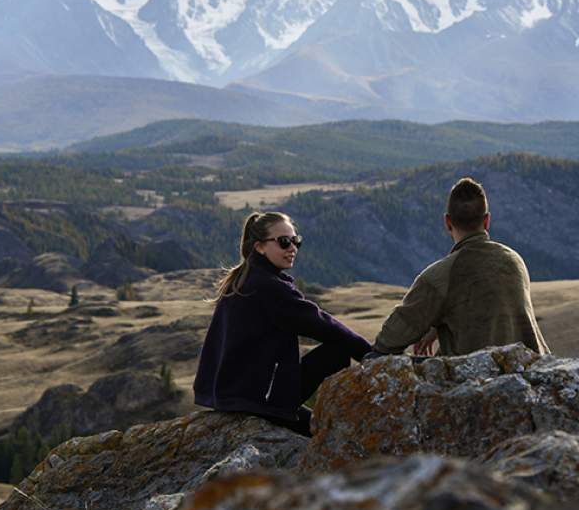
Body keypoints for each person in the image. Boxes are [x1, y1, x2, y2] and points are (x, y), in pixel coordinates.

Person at [193, 211, 370, 436]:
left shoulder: (245, 277)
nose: (292, 248)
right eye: (284, 242)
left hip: (236, 394)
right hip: (255, 399)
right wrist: (371, 354)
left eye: (296, 241)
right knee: (337, 351)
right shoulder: (267, 286)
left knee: (318, 427)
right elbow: (319, 323)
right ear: (259, 247)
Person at [369, 177, 551, 358]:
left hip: (477, 374)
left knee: (374, 360)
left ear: (448, 222)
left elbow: (388, 341)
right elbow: (488, 305)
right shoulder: (514, 261)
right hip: (531, 365)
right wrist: (436, 326)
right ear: (487, 221)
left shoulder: (439, 277)